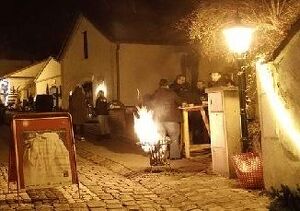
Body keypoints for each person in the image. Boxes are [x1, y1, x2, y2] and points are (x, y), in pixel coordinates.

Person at [151, 79, 183, 159]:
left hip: (158, 119)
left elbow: (151, 104)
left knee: (161, 138)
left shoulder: (155, 94)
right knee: (174, 137)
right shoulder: (171, 93)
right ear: (167, 85)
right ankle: (174, 156)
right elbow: (180, 102)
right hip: (171, 119)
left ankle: (161, 156)